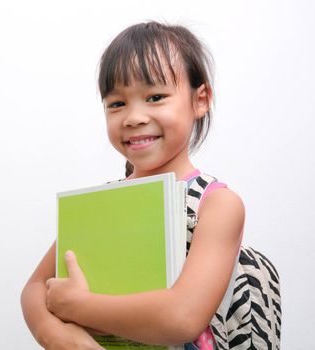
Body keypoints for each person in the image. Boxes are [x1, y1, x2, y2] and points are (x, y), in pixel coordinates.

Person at [21, 21, 249, 350]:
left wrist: (78, 306)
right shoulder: (101, 203)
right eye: (117, 103)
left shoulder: (217, 204)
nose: (133, 117)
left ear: (201, 100)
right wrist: (56, 336)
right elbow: (34, 289)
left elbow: (182, 317)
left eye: (155, 97)